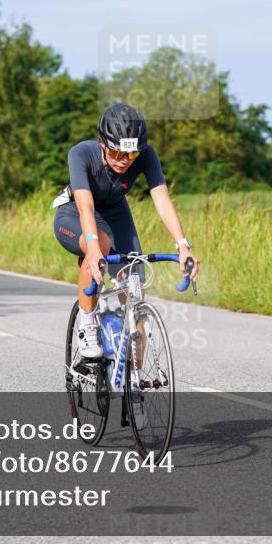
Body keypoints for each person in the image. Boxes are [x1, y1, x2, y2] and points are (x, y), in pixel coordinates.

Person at [52, 103, 200, 362]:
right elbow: (86, 207)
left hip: (116, 213)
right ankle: (87, 323)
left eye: (131, 155)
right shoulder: (81, 153)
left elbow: (162, 199)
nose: (124, 161)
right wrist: (93, 248)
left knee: (135, 287)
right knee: (101, 244)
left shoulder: (146, 155)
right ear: (102, 143)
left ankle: (134, 374)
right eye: (116, 153)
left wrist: (183, 246)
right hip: (75, 213)